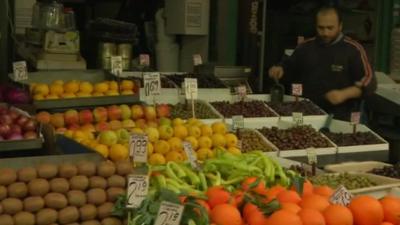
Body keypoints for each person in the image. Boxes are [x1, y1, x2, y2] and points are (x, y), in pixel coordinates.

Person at [268, 6, 377, 121]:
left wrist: (344, 94)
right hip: (307, 114)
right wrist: (279, 70)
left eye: (330, 28)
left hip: (340, 116)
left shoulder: (353, 49)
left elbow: (369, 80)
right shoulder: (305, 47)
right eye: (321, 28)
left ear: (340, 26)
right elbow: (287, 67)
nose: (325, 33)